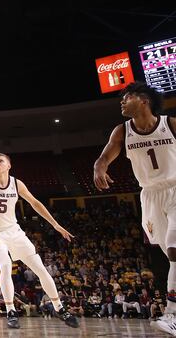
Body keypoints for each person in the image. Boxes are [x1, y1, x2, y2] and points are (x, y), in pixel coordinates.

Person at [94, 81, 176, 335]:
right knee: (171, 256)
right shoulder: (122, 131)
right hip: (150, 196)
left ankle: (172, 314)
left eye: (126, 97)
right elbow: (106, 155)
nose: (121, 101)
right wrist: (99, 167)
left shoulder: (170, 124)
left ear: (144, 100)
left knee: (175, 251)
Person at [0, 153, 79, 329]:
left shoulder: (16, 184)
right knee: (5, 264)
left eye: (0, 161)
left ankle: (59, 308)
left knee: (40, 268)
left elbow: (35, 203)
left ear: (9, 165)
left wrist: (56, 225)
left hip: (14, 232)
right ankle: (11, 311)